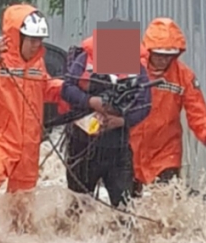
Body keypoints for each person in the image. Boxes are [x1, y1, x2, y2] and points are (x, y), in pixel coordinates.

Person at [0, 4, 69, 231]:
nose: (36, 45)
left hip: (28, 142)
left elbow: (45, 88)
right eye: (31, 39)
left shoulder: (37, 63)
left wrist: (66, 89)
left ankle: (18, 232)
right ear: (17, 36)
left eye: (39, 40)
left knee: (23, 194)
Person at [130, 17, 206, 195]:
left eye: (168, 55)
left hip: (166, 150)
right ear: (148, 51)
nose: (163, 60)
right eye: (159, 55)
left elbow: (197, 110)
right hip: (130, 147)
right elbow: (101, 89)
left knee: (167, 200)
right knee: (126, 203)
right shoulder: (130, 66)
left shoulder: (184, 76)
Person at [61, 35, 152, 207]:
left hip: (117, 150)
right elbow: (66, 89)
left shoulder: (137, 69)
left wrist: (123, 120)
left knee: (124, 211)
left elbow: (145, 104)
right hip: (82, 147)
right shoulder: (83, 60)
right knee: (78, 208)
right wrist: (90, 102)